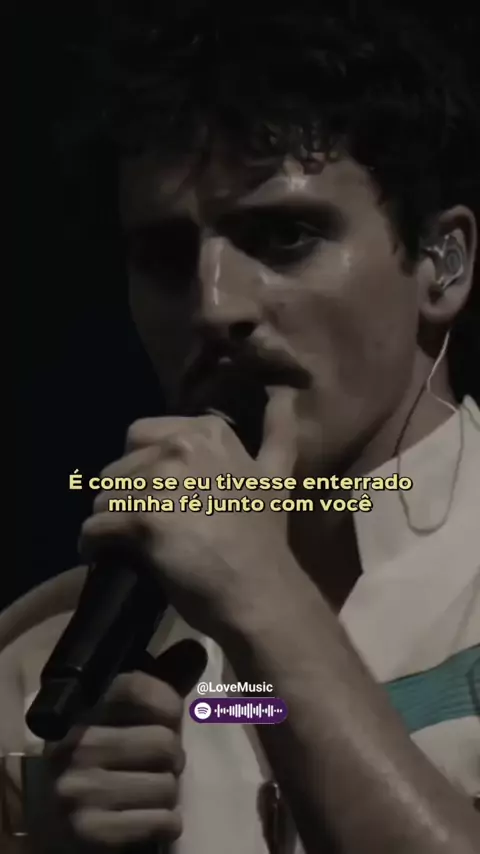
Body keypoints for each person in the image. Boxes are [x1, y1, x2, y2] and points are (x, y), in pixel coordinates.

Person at [3, 3, 480, 852]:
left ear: (442, 263)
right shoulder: (44, 662)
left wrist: (267, 602)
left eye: (285, 235)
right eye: (163, 257)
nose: (214, 305)